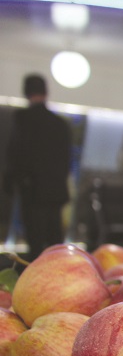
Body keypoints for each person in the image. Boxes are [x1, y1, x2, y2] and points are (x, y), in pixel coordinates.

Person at [3, 74, 72, 260]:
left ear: (26, 92)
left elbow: (16, 153)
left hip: (32, 190)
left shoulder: (22, 119)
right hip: (55, 193)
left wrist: (11, 182)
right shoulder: (60, 124)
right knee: (56, 247)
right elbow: (66, 161)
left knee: (35, 246)